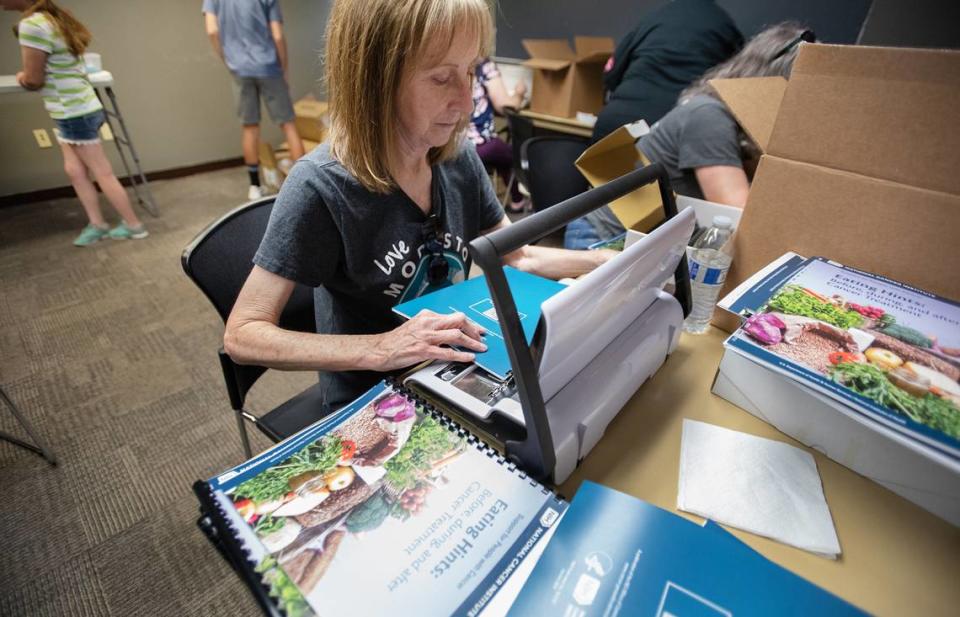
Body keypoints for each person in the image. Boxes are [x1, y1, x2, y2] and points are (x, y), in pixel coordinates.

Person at [224, 0, 615, 414]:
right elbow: (243, 334)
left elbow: (517, 255)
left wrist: (604, 261)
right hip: (376, 396)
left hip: (450, 368)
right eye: (442, 79)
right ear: (375, 80)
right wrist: (383, 348)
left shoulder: (458, 158)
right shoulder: (321, 185)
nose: (466, 104)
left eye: (470, 73)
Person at [566, 22, 814, 250]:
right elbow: (737, 216)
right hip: (603, 238)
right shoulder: (709, 116)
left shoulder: (719, 114)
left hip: (642, 238)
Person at [4, 0, 147, 247]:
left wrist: (21, 77)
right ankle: (98, 224)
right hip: (74, 108)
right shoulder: (53, 17)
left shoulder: (32, 24)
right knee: (75, 171)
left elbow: (33, 79)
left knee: (102, 172)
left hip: (74, 112)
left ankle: (134, 226)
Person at [592, 0, 743, 143]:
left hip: (617, 123)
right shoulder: (725, 26)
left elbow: (611, 73)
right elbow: (738, 83)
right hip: (673, 130)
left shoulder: (654, 17)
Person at [202, 0, 304, 200]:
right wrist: (284, 69)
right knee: (288, 125)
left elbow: (212, 31)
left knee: (250, 128)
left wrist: (228, 59)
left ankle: (255, 187)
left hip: (239, 69)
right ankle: (303, 186)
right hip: (269, 67)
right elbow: (277, 35)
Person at [467, 57, 528, 212]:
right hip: (480, 145)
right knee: (513, 153)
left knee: (502, 155)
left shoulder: (455, 60)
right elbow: (505, 106)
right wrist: (520, 94)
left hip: (454, 146)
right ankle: (520, 200)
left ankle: (517, 201)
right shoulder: (484, 65)